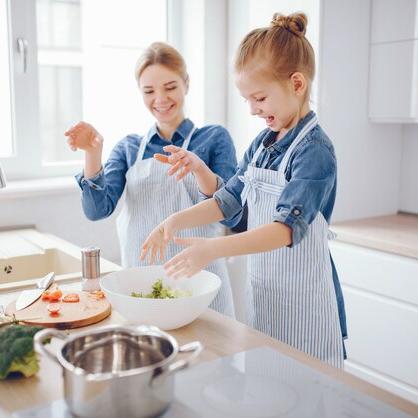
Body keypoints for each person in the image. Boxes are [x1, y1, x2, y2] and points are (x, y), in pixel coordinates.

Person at [141, 13, 347, 368]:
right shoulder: (263, 144)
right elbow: (228, 200)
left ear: (297, 84)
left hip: (306, 307)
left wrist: (213, 248)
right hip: (267, 299)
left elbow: (285, 230)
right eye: (246, 99)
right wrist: (175, 220)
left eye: (260, 98)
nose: (252, 109)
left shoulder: (314, 151)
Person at [65, 42, 237, 318]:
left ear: (186, 84)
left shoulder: (214, 139)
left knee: (213, 358)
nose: (160, 99)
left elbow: (231, 214)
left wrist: (199, 168)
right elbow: (97, 210)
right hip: (142, 287)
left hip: (203, 284)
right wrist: (92, 154)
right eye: (149, 91)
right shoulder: (129, 148)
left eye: (170, 87)